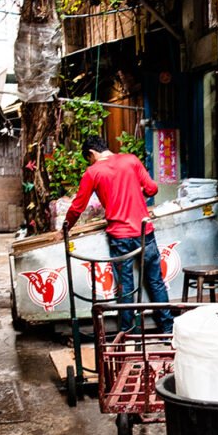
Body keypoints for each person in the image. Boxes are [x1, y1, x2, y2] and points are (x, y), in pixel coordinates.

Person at [65, 136, 172, 333]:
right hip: (144, 231)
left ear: (91, 153)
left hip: (120, 237)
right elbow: (152, 188)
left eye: (88, 158)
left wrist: (65, 228)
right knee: (155, 280)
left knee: (125, 286)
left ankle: (127, 333)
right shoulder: (131, 160)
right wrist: (137, 194)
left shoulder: (93, 172)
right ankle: (168, 330)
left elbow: (77, 207)